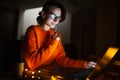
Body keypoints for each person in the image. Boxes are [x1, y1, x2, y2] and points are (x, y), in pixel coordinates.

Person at [20, 0, 96, 70]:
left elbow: (61, 59)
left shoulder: (56, 35)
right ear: (43, 14)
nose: (56, 21)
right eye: (53, 16)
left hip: (49, 73)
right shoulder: (32, 30)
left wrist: (84, 64)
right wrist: (53, 43)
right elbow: (32, 64)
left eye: (59, 18)